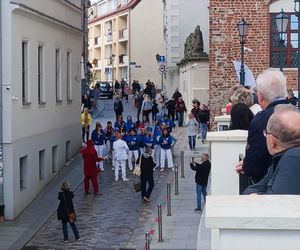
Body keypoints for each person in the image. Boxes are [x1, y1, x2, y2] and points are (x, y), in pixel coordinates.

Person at [235, 69, 288, 187]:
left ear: (260, 96)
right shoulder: (295, 112)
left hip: (270, 184)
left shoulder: (260, 121)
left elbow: (256, 158)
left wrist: (247, 165)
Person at [243, 105, 300, 195]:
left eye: (265, 133)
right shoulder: (280, 159)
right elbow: (256, 187)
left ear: (273, 141)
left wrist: (256, 196)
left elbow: (277, 203)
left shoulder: (293, 160)